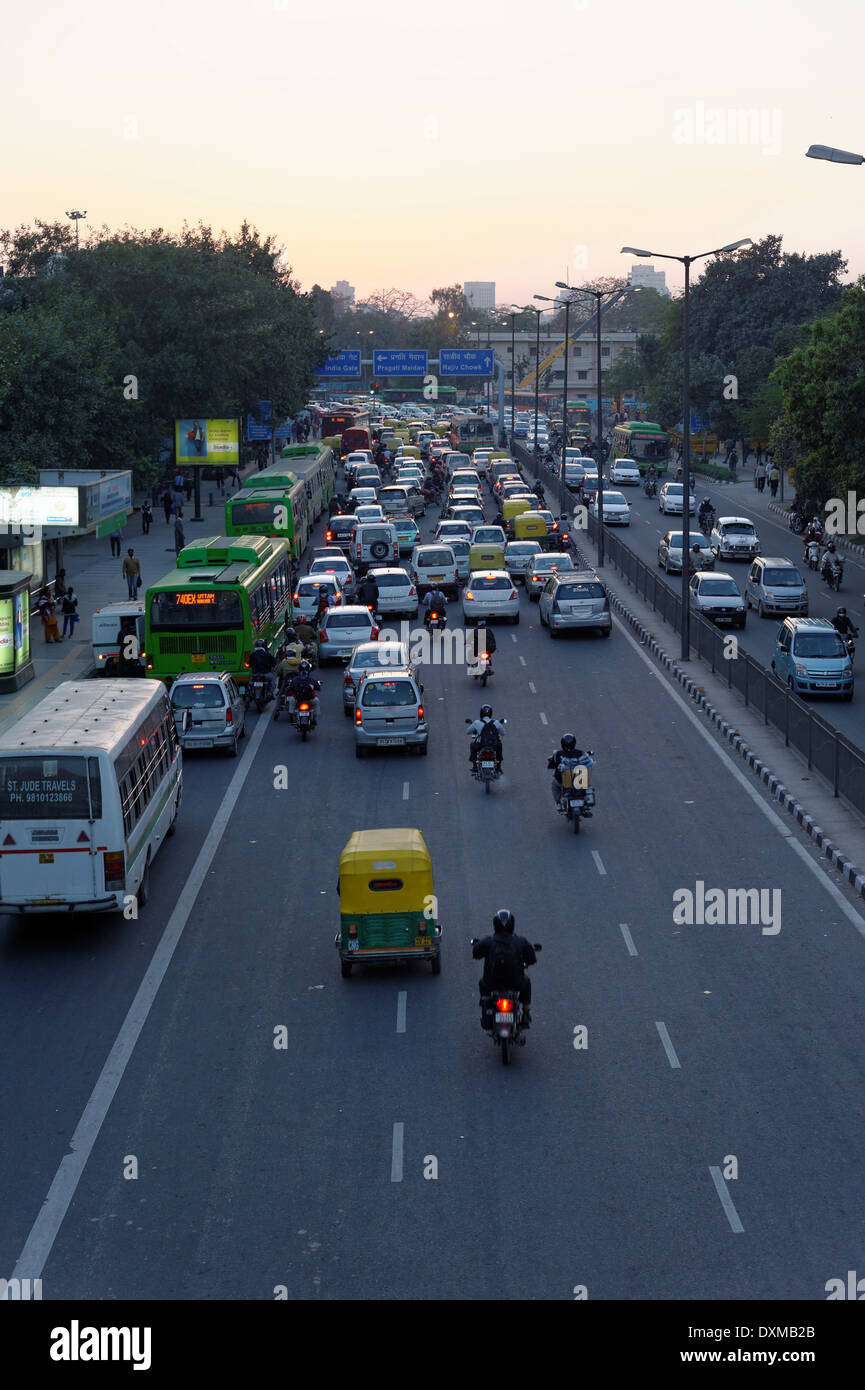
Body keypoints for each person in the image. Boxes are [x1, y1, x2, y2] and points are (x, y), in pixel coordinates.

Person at [473, 909, 537, 1028]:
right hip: (515, 982)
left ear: (495, 925)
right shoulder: (520, 941)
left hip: (492, 982)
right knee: (527, 982)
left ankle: (487, 1009)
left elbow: (475, 953)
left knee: (482, 983)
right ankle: (526, 1012)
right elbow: (532, 959)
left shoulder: (488, 941)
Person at [547, 733, 594, 813]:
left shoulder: (558, 754)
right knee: (587, 785)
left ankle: (558, 803)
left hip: (564, 782)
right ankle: (586, 800)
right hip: (579, 780)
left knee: (554, 786)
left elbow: (551, 765)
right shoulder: (581, 753)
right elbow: (589, 760)